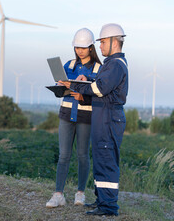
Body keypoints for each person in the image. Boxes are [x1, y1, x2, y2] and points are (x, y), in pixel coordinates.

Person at [59, 23, 128, 216]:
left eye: (103, 42)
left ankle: (108, 207)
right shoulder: (111, 64)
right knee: (100, 160)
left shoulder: (115, 65)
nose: (101, 46)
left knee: (106, 161)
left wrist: (75, 85)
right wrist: (81, 84)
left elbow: (99, 89)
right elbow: (98, 88)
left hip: (109, 119)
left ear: (115, 41)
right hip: (102, 118)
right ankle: (101, 201)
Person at [46, 28, 101, 208]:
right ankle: (58, 194)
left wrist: (84, 90)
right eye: (77, 47)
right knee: (63, 155)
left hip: (86, 115)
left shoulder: (99, 69)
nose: (80, 51)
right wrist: (60, 86)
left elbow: (100, 92)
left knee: (83, 155)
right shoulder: (68, 65)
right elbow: (60, 89)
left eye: (83, 47)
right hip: (66, 114)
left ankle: (80, 193)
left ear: (91, 47)